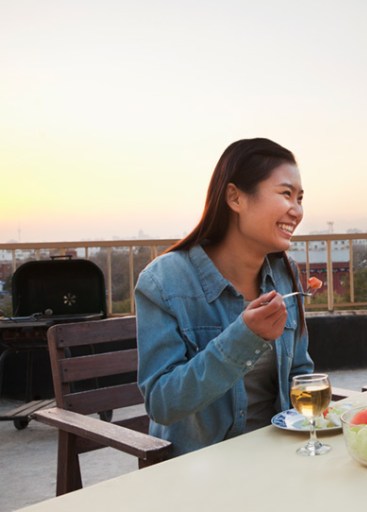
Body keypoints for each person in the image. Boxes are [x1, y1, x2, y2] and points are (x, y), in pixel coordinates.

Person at [136, 138, 314, 456]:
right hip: (201, 471)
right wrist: (244, 338)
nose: (297, 210)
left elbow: (299, 371)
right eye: (286, 194)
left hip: (280, 458)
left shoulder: (285, 274)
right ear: (234, 197)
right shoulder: (164, 281)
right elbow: (162, 403)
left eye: (300, 198)